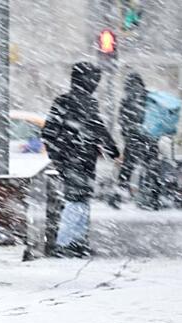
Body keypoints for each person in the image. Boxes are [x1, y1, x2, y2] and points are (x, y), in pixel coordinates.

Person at [42, 62, 120, 257]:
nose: (96, 84)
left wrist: (57, 155)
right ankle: (67, 243)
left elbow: (48, 131)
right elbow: (97, 127)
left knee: (79, 199)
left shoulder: (64, 101)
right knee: (77, 200)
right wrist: (111, 149)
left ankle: (74, 242)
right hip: (80, 158)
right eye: (94, 80)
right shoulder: (85, 102)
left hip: (73, 158)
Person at [108, 72, 148, 209]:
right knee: (148, 166)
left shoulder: (126, 97)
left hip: (131, 137)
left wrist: (126, 134)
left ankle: (116, 195)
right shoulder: (145, 95)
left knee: (127, 168)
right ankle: (148, 197)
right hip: (146, 136)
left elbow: (121, 118)